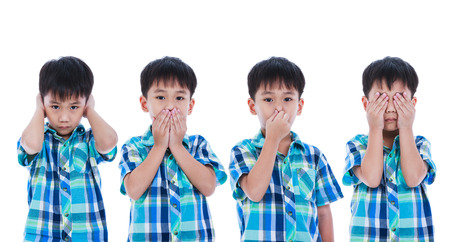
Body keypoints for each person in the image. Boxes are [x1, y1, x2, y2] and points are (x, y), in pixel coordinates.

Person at [229, 57, 343, 242]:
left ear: (299, 106)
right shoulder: (243, 151)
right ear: (252, 106)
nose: (279, 107)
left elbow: (323, 213)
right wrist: (272, 139)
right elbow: (254, 192)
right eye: (268, 99)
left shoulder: (314, 156)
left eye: (288, 99)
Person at [119, 56, 227, 241]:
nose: (170, 106)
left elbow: (209, 186)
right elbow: (134, 190)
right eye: (160, 97)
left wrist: (176, 145)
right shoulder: (134, 146)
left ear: (190, 105)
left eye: (179, 98)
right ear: (145, 103)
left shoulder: (198, 144)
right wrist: (160, 145)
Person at [18, 56, 118, 241]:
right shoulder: (39, 139)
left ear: (85, 104)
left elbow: (109, 143)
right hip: (43, 234)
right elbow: (30, 145)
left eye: (74, 107)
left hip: (87, 235)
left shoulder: (88, 141)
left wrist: (91, 111)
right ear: (43, 102)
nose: (64, 117)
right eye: (55, 106)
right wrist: (39, 109)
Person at [343, 56, 436, 241]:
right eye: (382, 99)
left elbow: (413, 178)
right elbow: (371, 178)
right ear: (366, 104)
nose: (391, 108)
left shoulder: (420, 145)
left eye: (400, 99)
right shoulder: (358, 144)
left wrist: (407, 127)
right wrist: (375, 127)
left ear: (413, 104)